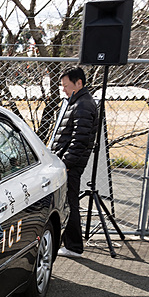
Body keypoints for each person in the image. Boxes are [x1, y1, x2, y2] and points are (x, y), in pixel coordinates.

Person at [51, 67, 99, 258]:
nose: (63, 89)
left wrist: (66, 163)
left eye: (66, 85)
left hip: (70, 164)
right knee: (67, 201)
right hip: (67, 162)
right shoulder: (78, 102)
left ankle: (73, 246)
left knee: (69, 203)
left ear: (78, 83)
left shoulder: (83, 105)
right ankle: (71, 244)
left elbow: (80, 139)